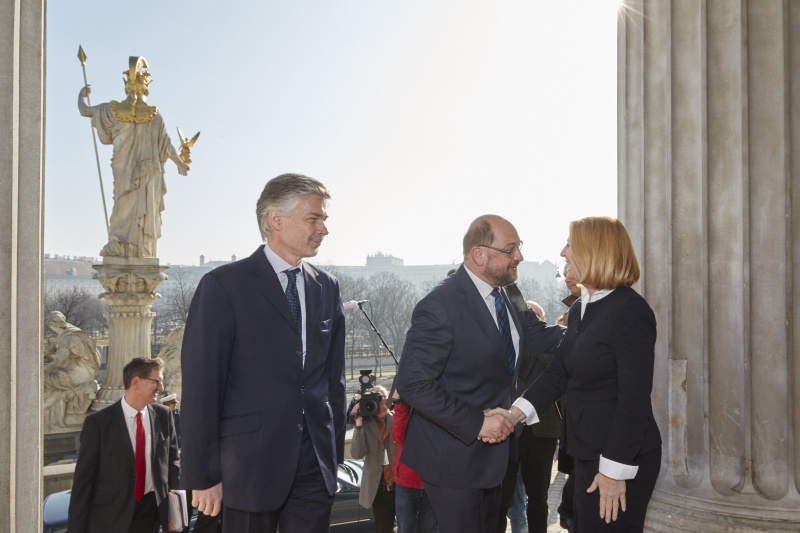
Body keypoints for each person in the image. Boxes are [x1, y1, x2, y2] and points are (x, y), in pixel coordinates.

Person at [180, 173, 346, 533]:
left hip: (314, 469)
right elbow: (202, 386)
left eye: (324, 220)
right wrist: (203, 475)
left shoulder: (328, 288)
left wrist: (334, 457)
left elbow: (334, 380)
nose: (323, 229)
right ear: (276, 220)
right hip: (247, 470)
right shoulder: (223, 286)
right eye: (313, 219)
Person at [396, 214, 565, 533]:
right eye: (511, 249)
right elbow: (412, 383)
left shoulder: (508, 291)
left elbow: (537, 334)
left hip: (498, 459)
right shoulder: (440, 305)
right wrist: (478, 423)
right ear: (479, 255)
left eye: (520, 247)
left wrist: (592, 333)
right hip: (453, 462)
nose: (520, 257)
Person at [508, 216, 662, 532]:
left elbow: (633, 399)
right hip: (588, 453)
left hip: (616, 459)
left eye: (570, 245)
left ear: (594, 252)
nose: (564, 252)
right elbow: (558, 372)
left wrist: (614, 472)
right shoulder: (582, 308)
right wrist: (513, 414)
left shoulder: (630, 311)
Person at [78, 56, 190, 258]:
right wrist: (179, 163)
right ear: (145, 89)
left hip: (133, 171)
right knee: (130, 205)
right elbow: (166, 146)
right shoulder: (147, 114)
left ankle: (125, 244)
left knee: (124, 203)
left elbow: (85, 110)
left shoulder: (121, 111)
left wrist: (82, 96)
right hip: (137, 172)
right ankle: (128, 245)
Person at [68, 357, 180, 533]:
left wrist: (176, 512)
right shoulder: (98, 423)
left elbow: (173, 465)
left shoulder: (164, 416)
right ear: (136, 382)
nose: (161, 388)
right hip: (111, 519)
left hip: (152, 516)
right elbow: (84, 481)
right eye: (157, 381)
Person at [499, 300, 562, 533]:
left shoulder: (552, 348)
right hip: (506, 432)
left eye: (535, 319)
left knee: (538, 500)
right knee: (501, 499)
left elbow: (556, 377)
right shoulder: (504, 345)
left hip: (542, 431)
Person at [42, 311, 102, 432]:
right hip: (85, 371)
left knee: (45, 381)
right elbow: (51, 349)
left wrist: (37, 371)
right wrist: (42, 354)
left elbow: (58, 363)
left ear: (51, 325)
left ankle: (45, 416)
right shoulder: (69, 331)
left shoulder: (68, 337)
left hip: (81, 375)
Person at [350, 385, 397, 533]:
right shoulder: (365, 425)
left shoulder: (397, 419)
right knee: (383, 529)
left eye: (383, 399)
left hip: (401, 486)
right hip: (380, 489)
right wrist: (358, 423)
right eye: (377, 400)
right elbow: (357, 454)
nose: (381, 405)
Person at [391, 390, 439, 533]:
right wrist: (400, 404)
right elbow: (398, 437)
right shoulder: (404, 408)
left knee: (432, 529)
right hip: (407, 481)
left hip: (432, 481)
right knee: (406, 529)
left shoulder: (438, 406)